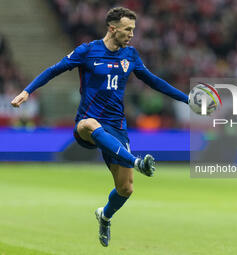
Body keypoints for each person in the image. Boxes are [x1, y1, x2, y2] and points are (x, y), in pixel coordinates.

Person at [11, 7, 188, 247]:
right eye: (128, 29)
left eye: (133, 30)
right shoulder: (87, 51)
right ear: (113, 28)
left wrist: (187, 100)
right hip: (87, 122)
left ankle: (104, 215)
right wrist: (27, 91)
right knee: (90, 124)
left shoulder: (131, 56)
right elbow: (54, 70)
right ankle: (136, 161)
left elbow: (154, 82)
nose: (132, 34)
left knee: (125, 189)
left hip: (117, 126)